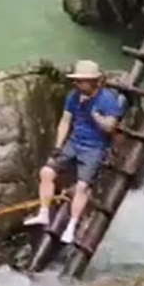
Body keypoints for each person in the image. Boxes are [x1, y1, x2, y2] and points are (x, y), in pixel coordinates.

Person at [24, 60, 122, 245]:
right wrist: (58, 146)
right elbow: (65, 121)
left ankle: (72, 225)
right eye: (75, 80)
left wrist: (95, 115)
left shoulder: (107, 99)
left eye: (80, 81)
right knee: (46, 172)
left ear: (93, 81)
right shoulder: (74, 96)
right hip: (74, 143)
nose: (76, 84)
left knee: (82, 187)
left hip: (94, 147)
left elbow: (110, 127)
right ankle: (43, 213)